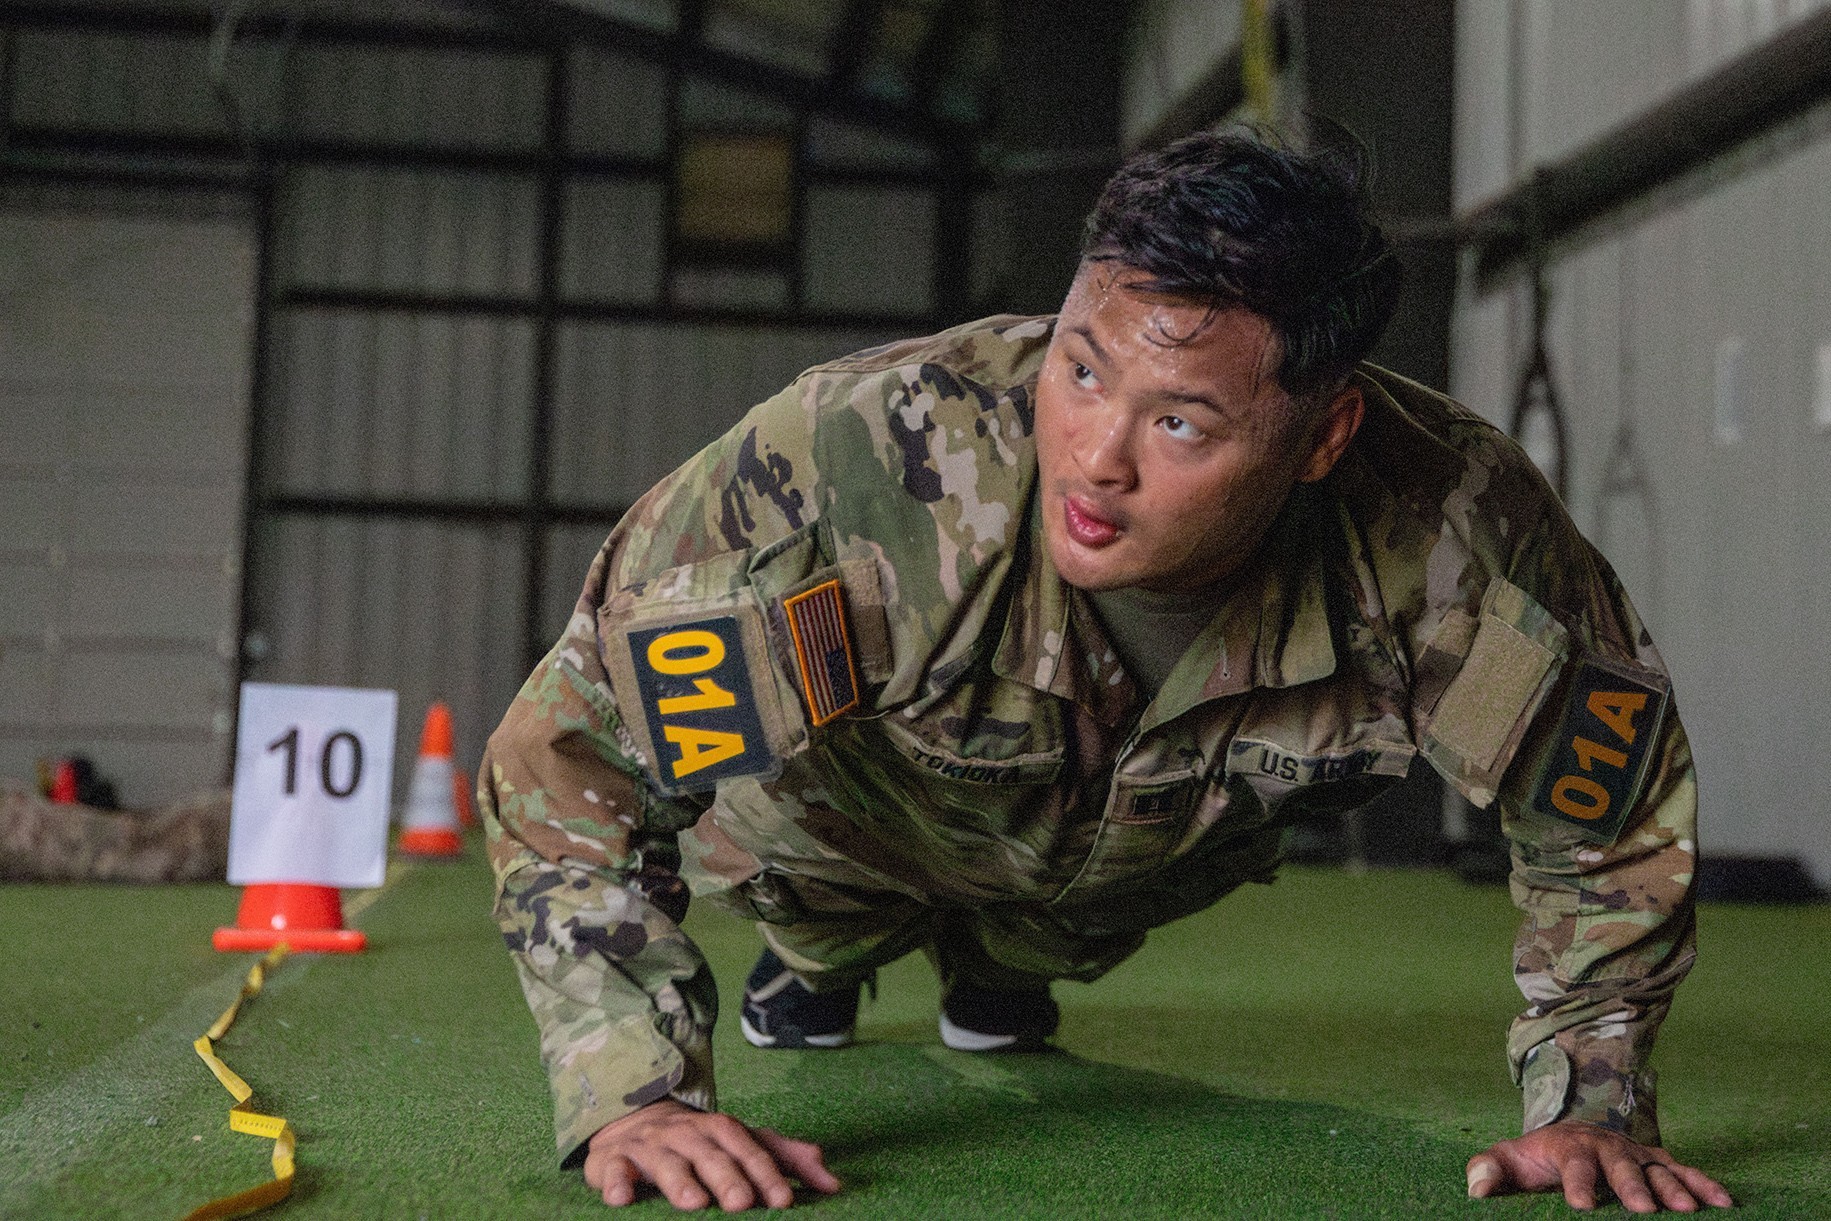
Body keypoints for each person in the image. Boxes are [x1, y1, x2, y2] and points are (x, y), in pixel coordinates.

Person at [479, 129, 1732, 1214]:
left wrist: (1594, 1099)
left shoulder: (1449, 535)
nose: (1097, 457)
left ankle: (995, 961)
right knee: (818, 910)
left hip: (1116, 876)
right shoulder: (865, 466)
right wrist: (632, 1091)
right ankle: (818, 967)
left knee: (1041, 952)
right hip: (836, 828)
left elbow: (1604, 819)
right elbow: (572, 763)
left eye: (1181, 421)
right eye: (1080, 369)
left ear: (1323, 434)